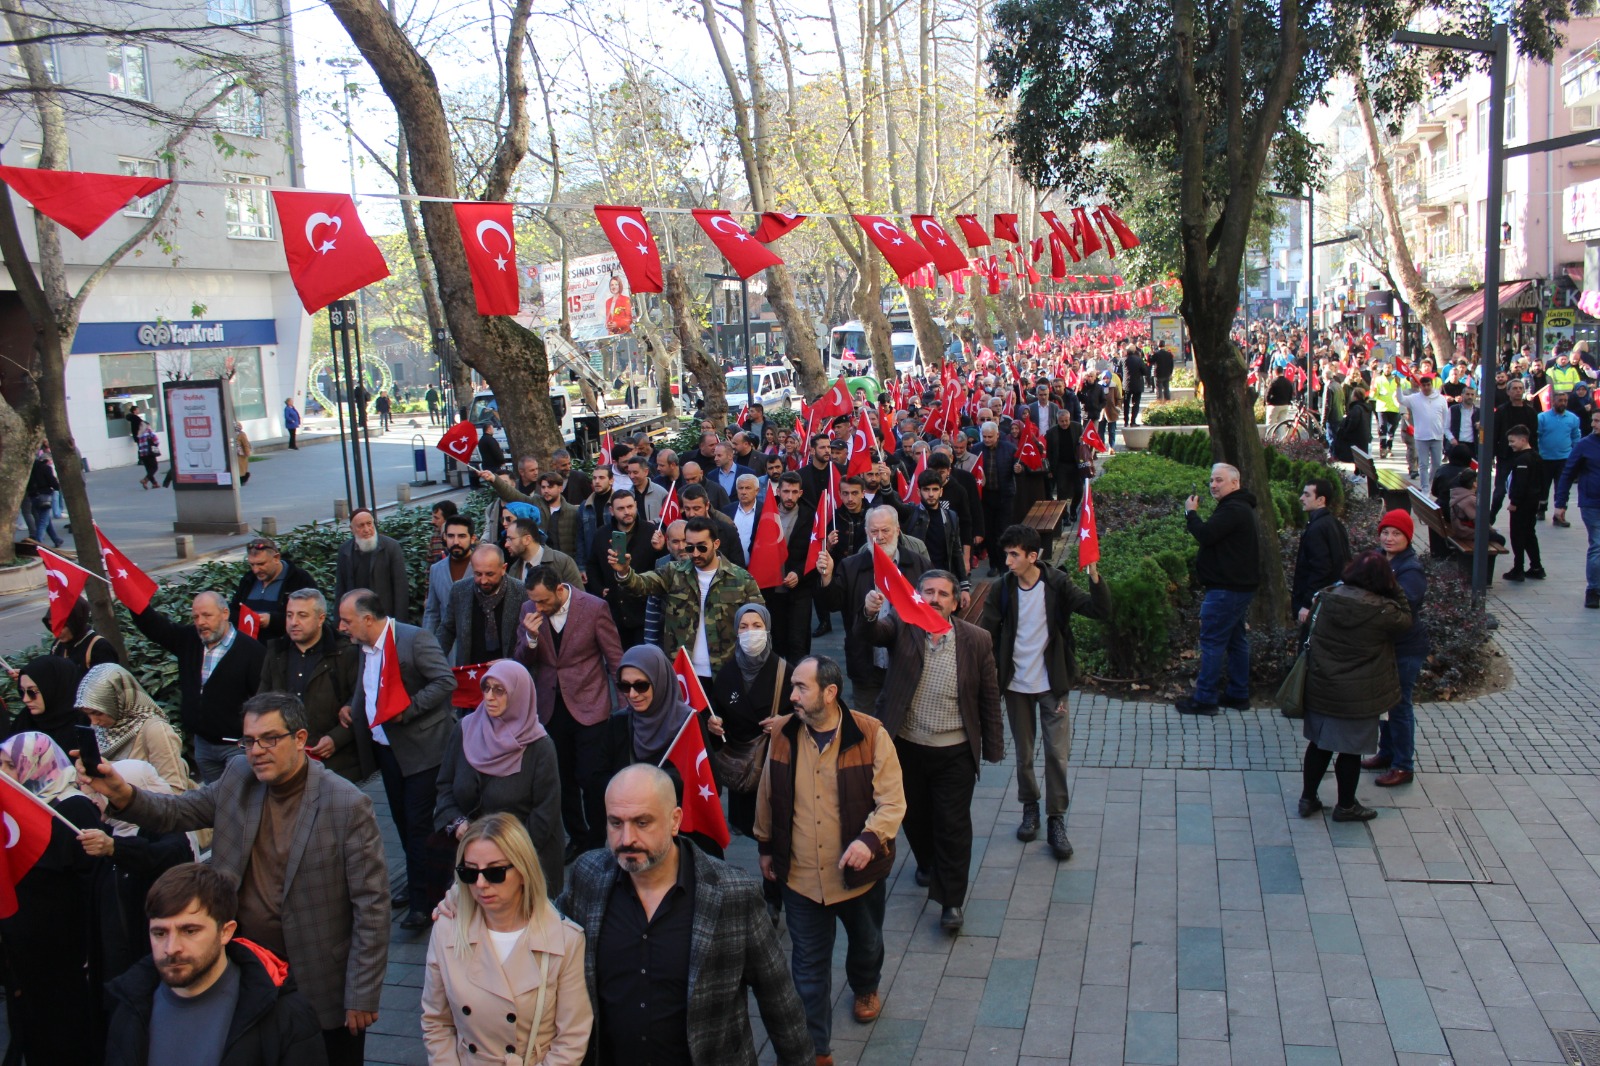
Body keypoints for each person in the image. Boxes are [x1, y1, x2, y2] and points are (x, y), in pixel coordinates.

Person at [82, 693, 389, 1065]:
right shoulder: (238, 777)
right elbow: (175, 814)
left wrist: (362, 993)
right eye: (249, 740)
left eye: (270, 739)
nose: (257, 750)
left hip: (318, 978)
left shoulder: (346, 804)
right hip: (244, 971)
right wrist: (124, 795)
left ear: (300, 739)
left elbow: (371, 906)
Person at [553, 764, 812, 1066]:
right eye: (615, 823)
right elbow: (546, 947)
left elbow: (779, 1001)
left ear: (675, 820)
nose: (626, 838)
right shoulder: (588, 877)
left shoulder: (733, 894)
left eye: (642, 822)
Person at [754, 656, 905, 1065]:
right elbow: (768, 793)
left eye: (801, 688)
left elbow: (892, 801)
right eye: (793, 688)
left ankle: (865, 985)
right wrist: (765, 846)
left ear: (830, 692)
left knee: (867, 945)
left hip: (858, 879)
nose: (792, 696)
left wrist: (869, 840)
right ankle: (815, 1051)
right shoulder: (784, 733)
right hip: (801, 879)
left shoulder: (871, 734)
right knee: (808, 971)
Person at [865, 570, 1002, 932]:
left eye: (943, 594)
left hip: (954, 750)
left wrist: (993, 746)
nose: (935, 599)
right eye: (928, 592)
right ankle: (926, 861)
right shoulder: (902, 626)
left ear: (956, 602)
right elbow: (873, 634)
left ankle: (951, 902)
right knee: (914, 816)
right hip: (907, 747)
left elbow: (989, 695)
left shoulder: (976, 640)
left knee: (953, 825)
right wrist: (869, 612)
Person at [101, 862, 331, 1066]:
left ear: (225, 932)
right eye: (160, 933)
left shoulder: (285, 1015)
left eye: (189, 931)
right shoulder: (129, 1006)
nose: (171, 948)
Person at [982, 524, 1112, 860]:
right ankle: (1030, 808)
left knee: (1057, 755)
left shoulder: (1057, 584)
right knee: (1024, 755)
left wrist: (1095, 578)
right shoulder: (1003, 589)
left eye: (1014, 554)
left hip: (1052, 684)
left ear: (1032, 556)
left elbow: (1099, 611)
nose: (1008, 560)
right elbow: (987, 634)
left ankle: (1056, 819)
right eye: (1006, 553)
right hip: (1015, 686)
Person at [422, 814, 591, 1066]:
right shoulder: (447, 930)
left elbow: (571, 1039)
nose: (480, 884)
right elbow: (436, 1022)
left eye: (495, 872)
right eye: (469, 873)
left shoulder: (565, 940)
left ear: (523, 870)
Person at [339, 589, 456, 929]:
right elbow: (368, 686)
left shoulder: (414, 639)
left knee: (419, 826)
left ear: (367, 619)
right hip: (387, 751)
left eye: (347, 620)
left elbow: (444, 681)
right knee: (404, 824)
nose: (342, 627)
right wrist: (352, 706)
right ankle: (417, 882)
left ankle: (424, 902)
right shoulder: (363, 647)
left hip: (423, 752)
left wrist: (409, 709)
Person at [0, 732, 105, 1066]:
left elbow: (94, 880)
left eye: (7, 765)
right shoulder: (15, 810)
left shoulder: (73, 808)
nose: (1, 772)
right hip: (24, 950)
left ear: (33, 764)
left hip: (65, 949)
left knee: (66, 1031)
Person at [514, 565, 625, 859]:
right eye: (533, 601)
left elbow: (615, 658)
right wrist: (531, 638)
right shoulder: (528, 609)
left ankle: (599, 838)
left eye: (543, 601)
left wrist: (626, 707)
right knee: (561, 778)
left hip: (591, 703)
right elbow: (520, 660)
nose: (537, 607)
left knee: (591, 777)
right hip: (550, 706)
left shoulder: (594, 608)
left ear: (560, 589)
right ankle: (577, 836)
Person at [1298, 552, 1414, 822]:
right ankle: (1346, 806)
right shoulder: (1383, 611)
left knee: (1319, 745)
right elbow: (1407, 619)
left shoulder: (1326, 598)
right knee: (1350, 751)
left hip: (1322, 684)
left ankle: (1307, 798)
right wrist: (1394, 586)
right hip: (1358, 693)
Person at [434, 661, 564, 895]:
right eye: (486, 688)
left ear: (518, 694)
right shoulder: (464, 730)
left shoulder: (540, 747)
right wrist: (457, 822)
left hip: (524, 867)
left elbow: (545, 815)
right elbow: (444, 786)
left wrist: (504, 854)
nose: (490, 697)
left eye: (499, 690)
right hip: (472, 865)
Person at [77, 760, 198, 983]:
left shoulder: (169, 832)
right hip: (113, 967)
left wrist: (115, 848)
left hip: (148, 967)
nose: (95, 800)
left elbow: (159, 857)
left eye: (102, 793)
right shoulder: (109, 831)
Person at [129, 590, 266, 783]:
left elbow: (264, 700)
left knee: (239, 802)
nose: (200, 622)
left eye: (207, 615)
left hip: (237, 748)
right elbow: (155, 627)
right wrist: (131, 596)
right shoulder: (189, 641)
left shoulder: (252, 651)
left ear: (225, 613)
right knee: (213, 802)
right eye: (195, 617)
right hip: (202, 745)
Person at [615, 515, 764, 685]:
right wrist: (624, 572)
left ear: (716, 544)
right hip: (682, 674)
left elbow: (759, 625)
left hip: (727, 672)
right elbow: (640, 584)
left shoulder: (741, 579)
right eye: (690, 547)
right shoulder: (672, 572)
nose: (695, 553)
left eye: (701, 547)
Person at [1176, 464, 1261, 716]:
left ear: (1235, 483)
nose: (1213, 485)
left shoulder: (1234, 509)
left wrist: (1190, 513)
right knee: (1236, 641)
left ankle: (1205, 699)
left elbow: (1206, 534)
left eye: (1220, 480)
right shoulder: (1236, 507)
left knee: (1212, 642)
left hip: (1226, 589)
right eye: (1212, 480)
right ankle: (1238, 694)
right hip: (1235, 587)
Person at [258, 588, 365, 782]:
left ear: (320, 618)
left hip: (336, 764)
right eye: (289, 615)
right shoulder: (276, 652)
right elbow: (262, 701)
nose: (293, 622)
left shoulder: (345, 652)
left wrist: (337, 738)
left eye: (302, 615)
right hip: (288, 760)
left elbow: (360, 700)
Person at [709, 604, 791, 839]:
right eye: (743, 627)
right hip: (741, 770)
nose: (750, 632)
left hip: (773, 768)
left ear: (767, 630)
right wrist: (712, 722)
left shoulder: (785, 672)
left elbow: (804, 715)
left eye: (757, 626)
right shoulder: (727, 672)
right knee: (747, 826)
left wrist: (784, 722)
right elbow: (716, 708)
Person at [1361, 510, 1430, 788]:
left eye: (1396, 533)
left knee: (1399, 705)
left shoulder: (1411, 569)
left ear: (1407, 537)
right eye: (1385, 532)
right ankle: (1387, 752)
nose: (1389, 538)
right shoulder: (1378, 558)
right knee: (1385, 702)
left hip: (1406, 647)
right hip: (1385, 644)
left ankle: (1403, 765)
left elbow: (1405, 604)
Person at [75, 664, 193, 793]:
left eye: (98, 713)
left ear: (118, 702)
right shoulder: (101, 728)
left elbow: (176, 791)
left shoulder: (155, 730)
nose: (94, 721)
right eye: (88, 714)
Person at [434, 543, 527, 668]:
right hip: (470, 672)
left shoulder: (521, 592)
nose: (483, 581)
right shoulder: (459, 590)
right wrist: (433, 662)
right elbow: (447, 630)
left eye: (490, 574)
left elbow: (528, 639)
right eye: (478, 574)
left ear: (503, 568)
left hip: (510, 672)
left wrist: (513, 661)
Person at [229, 537, 319, 644]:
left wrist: (272, 620)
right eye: (252, 565)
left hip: (284, 650)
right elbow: (233, 610)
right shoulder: (248, 579)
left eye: (261, 564)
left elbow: (311, 616)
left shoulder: (300, 579)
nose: (256, 570)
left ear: (276, 558)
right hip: (250, 649)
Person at [1554, 408, 1600, 607]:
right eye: (1594, 420)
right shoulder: (1585, 445)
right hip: (1592, 502)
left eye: (1598, 421)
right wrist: (1560, 503)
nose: (1593, 425)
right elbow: (1568, 473)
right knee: (1598, 544)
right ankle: (1593, 589)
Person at [1290, 479, 1351, 628]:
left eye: (1307, 495)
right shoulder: (1333, 523)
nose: (1301, 498)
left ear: (1320, 500)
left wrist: (1307, 604)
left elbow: (1321, 568)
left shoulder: (1317, 529)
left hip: (1319, 604)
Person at [333, 509, 410, 622]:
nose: (367, 529)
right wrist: (339, 621)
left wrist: (399, 622)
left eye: (369, 524)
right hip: (357, 618)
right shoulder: (345, 551)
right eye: (361, 525)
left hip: (384, 616)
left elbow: (400, 588)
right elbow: (341, 588)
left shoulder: (391, 547)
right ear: (352, 529)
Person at [2, 654, 86, 755]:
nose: (25, 699)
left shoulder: (84, 726)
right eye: (22, 691)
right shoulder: (25, 720)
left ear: (55, 689)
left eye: (32, 692)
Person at [1503, 425, 1547, 582]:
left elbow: (1520, 484)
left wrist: (1514, 502)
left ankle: (1518, 569)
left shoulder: (1522, 459)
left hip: (1522, 504)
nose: (1510, 444)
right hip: (1533, 502)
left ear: (1523, 439)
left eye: (1512, 441)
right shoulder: (1536, 456)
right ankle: (1536, 567)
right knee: (1529, 534)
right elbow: (1543, 481)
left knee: (1517, 536)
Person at [976, 422, 1017, 574]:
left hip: (1004, 496)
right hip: (986, 497)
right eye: (984, 436)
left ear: (997, 435)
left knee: (1003, 531)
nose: (987, 440)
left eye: (990, 437)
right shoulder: (977, 449)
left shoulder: (1009, 449)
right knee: (989, 532)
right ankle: (993, 564)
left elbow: (1018, 467)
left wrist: (1018, 469)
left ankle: (1005, 564)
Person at [423, 513, 476, 633]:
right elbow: (432, 612)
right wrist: (427, 643)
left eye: (462, 536)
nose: (456, 542)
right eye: (451, 536)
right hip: (447, 644)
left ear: (472, 538)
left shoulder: (483, 567)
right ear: (445, 537)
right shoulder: (436, 569)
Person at [1538, 389, 1583, 523]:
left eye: (1565, 401)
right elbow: (1537, 436)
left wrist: (1576, 454)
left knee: (1563, 488)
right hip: (1545, 458)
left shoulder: (1573, 418)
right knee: (1542, 487)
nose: (1563, 403)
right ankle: (1541, 510)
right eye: (1560, 400)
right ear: (1553, 402)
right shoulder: (1542, 417)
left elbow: (1576, 437)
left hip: (1564, 459)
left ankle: (1559, 514)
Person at [47, 595, 121, 675]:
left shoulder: (99, 648)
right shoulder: (57, 646)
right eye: (53, 626)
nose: (57, 632)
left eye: (62, 626)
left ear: (75, 622)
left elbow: (107, 683)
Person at [1401, 376, 1449, 490]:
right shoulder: (1415, 398)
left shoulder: (1441, 398)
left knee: (1437, 464)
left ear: (1432, 385)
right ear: (1420, 386)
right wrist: (1398, 387)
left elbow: (1446, 416)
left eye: (1428, 385)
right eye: (1424, 385)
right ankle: (1425, 487)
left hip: (1437, 436)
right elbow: (1401, 400)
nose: (1426, 388)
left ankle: (1431, 482)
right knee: (1423, 464)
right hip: (1421, 437)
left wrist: (1444, 431)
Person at [24, 445, 65, 549]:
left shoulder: (28, 470)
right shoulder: (45, 468)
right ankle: (39, 543)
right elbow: (54, 483)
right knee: (43, 521)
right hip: (45, 496)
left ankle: (56, 539)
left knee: (45, 519)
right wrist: (56, 487)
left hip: (33, 496)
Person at [135, 420, 162, 489]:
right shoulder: (148, 431)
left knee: (149, 469)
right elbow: (157, 441)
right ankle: (145, 480)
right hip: (150, 453)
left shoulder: (139, 433)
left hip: (142, 454)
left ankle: (154, 483)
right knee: (154, 468)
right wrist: (154, 446)